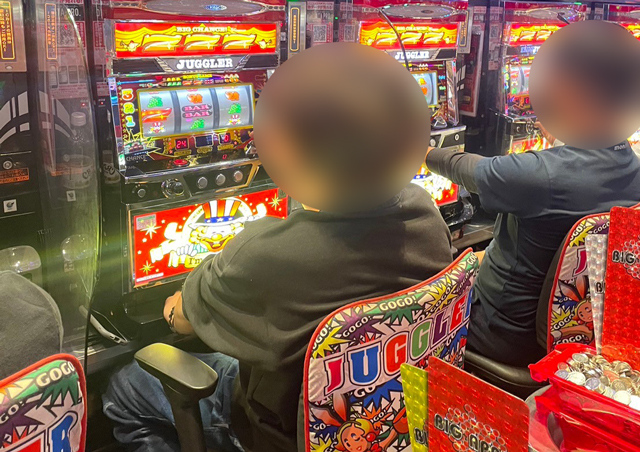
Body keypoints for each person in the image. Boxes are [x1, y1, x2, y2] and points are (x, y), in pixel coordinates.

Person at [103, 43, 453, 452]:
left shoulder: (264, 252)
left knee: (127, 384)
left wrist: (175, 304)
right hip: (394, 421)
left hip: (280, 432)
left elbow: (182, 321)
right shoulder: (426, 215)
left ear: (290, 150)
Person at [425, 121, 640, 366]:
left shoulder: (542, 174)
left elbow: (469, 169)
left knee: (420, 294)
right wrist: (565, 138)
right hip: (576, 334)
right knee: (476, 255)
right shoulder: (631, 165)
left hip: (503, 336)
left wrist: (419, 149)